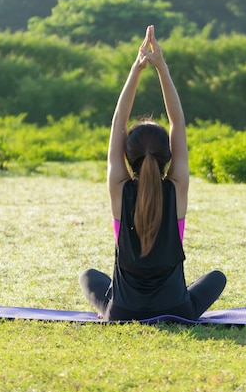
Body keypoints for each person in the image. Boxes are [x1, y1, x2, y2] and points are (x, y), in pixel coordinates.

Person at [79, 25, 226, 321]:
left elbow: (117, 123)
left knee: (88, 277)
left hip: (122, 311)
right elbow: (178, 124)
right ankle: (172, 298)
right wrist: (162, 68)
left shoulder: (119, 189)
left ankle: (111, 309)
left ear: (128, 157)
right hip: (177, 310)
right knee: (217, 277)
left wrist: (136, 69)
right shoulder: (177, 187)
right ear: (167, 156)